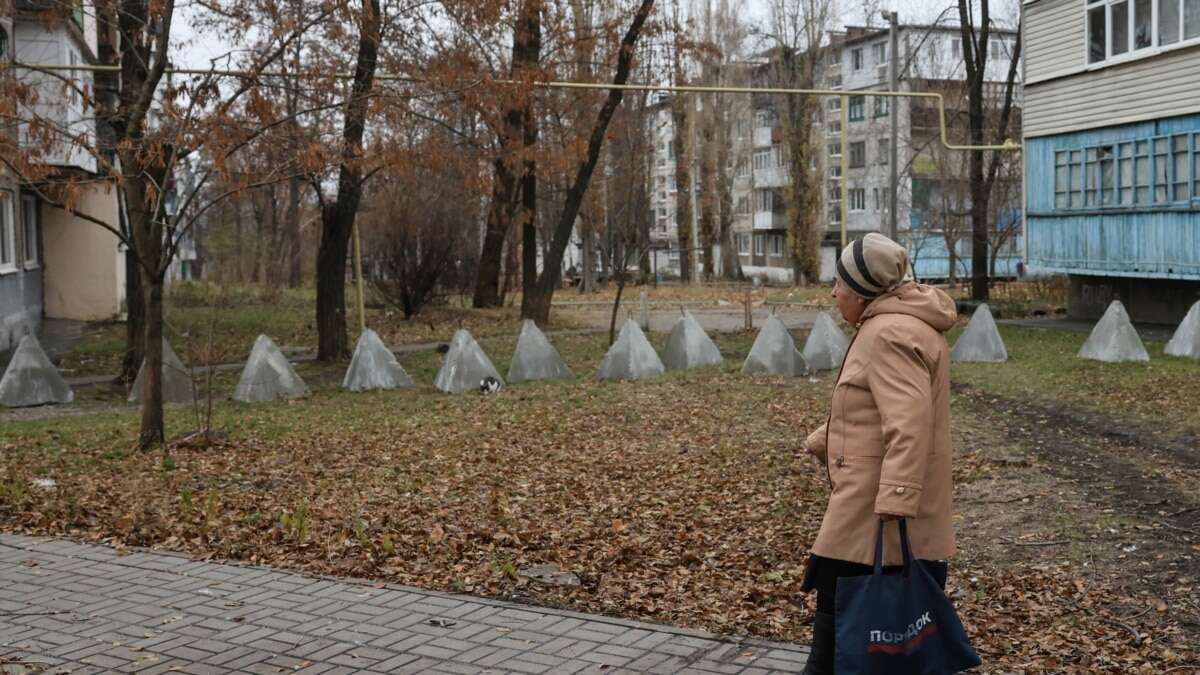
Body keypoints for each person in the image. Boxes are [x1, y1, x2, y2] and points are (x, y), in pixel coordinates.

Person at [800, 232, 958, 675]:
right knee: (846, 645)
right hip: (870, 515)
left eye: (840, 284)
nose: (834, 293)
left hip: (874, 522)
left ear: (862, 290)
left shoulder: (887, 333)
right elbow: (873, 409)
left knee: (835, 651)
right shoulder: (894, 325)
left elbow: (908, 423)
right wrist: (823, 439)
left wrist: (896, 501)